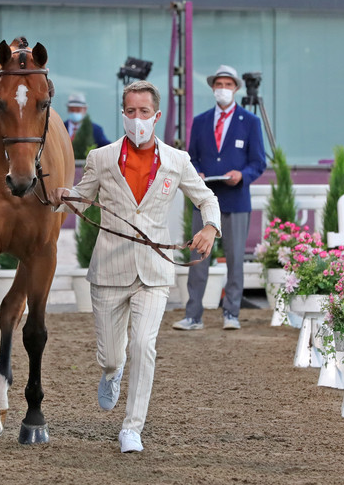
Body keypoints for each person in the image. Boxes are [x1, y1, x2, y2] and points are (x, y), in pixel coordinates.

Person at [50, 80, 221, 453]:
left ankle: (132, 427)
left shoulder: (178, 160)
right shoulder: (101, 157)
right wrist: (59, 196)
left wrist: (210, 226)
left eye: (145, 112)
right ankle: (111, 373)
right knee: (113, 356)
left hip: (155, 271)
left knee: (144, 344)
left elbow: (206, 198)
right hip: (109, 270)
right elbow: (80, 198)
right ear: (123, 114)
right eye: (131, 111)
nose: (138, 118)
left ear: (156, 116)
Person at [172, 64, 267, 332]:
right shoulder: (200, 121)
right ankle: (193, 315)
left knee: (235, 259)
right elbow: (192, 157)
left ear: (236, 88)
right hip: (204, 201)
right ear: (213, 88)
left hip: (236, 200)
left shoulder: (250, 122)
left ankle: (231, 313)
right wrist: (197, 173)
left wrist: (242, 175)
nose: (223, 89)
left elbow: (258, 162)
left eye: (228, 85)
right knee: (199, 257)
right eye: (219, 84)